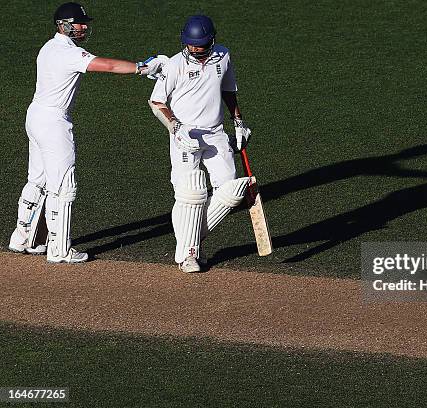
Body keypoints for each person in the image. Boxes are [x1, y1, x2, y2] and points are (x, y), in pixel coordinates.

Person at [8, 2, 165, 263]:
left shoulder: (49, 47)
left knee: (38, 179)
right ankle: (60, 250)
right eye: (80, 23)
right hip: (54, 121)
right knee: (63, 186)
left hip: (35, 116)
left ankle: (22, 237)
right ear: (65, 25)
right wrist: (142, 67)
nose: (84, 27)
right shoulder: (68, 53)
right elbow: (108, 66)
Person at [148, 15, 253, 273]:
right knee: (192, 194)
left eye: (201, 46)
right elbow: (156, 102)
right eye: (190, 46)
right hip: (186, 135)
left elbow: (228, 91)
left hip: (216, 132)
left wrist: (238, 122)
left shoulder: (223, 56)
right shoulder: (174, 65)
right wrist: (176, 127)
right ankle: (190, 254)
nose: (195, 50)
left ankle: (190, 240)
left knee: (230, 190)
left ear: (212, 41)